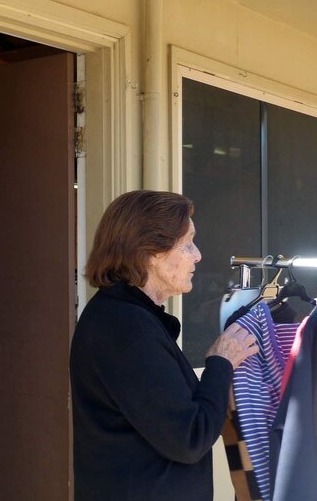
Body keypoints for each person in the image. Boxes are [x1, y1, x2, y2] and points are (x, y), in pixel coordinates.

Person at [69, 190, 258, 501]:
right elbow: (190, 437)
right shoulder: (127, 331)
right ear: (149, 252)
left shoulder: (123, 318)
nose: (197, 255)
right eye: (187, 243)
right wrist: (221, 362)